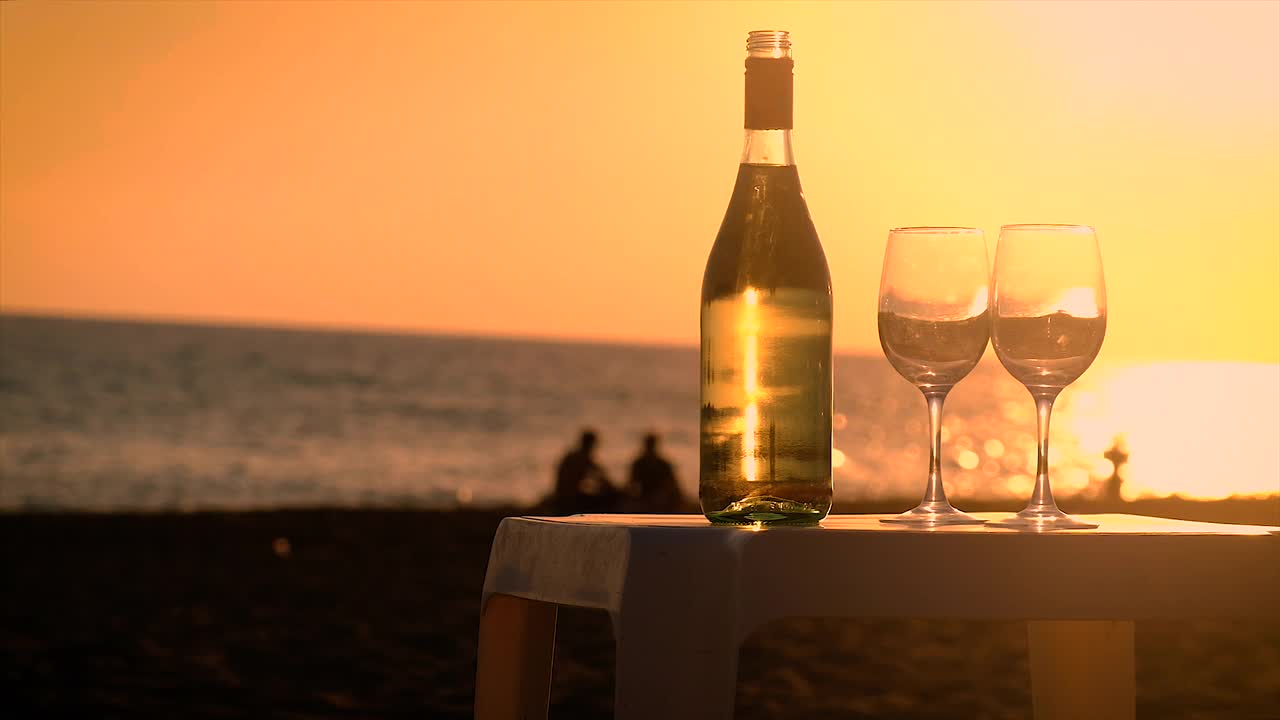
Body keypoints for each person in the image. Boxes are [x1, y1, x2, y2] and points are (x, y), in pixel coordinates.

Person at [550, 429, 619, 514]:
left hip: (563, 496)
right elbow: (601, 476)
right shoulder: (582, 458)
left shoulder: (572, 456)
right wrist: (614, 488)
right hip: (570, 499)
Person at [625, 432, 684, 513]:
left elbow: (672, 484)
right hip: (645, 498)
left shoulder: (661, 464)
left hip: (659, 498)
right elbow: (631, 484)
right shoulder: (640, 463)